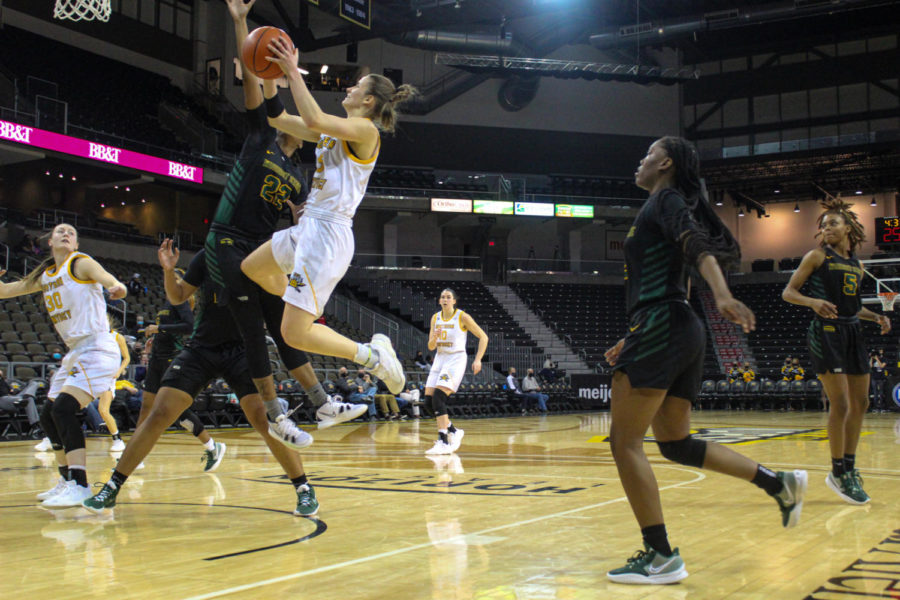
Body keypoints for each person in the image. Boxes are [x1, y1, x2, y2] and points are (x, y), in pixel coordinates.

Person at [603, 137, 806, 585]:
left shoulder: (666, 199)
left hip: (664, 324)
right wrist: (632, 334)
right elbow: (678, 279)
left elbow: (697, 247)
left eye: (648, 154)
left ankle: (660, 556)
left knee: (624, 442)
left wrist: (724, 295)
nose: (640, 159)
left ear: (666, 163)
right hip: (675, 324)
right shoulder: (659, 205)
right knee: (674, 443)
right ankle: (779, 483)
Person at [201, 0, 367, 451]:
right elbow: (254, 76)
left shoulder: (300, 175)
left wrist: (301, 217)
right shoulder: (261, 136)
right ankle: (276, 415)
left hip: (262, 246)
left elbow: (305, 211)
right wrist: (240, 22)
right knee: (254, 327)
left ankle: (321, 401)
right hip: (228, 242)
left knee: (284, 321)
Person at [239, 28, 418, 405]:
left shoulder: (365, 131)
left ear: (368, 100)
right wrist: (270, 77)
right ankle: (303, 301)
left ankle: (371, 355)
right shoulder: (335, 130)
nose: (349, 88)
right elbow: (279, 118)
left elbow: (316, 119)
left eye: (356, 87)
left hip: (328, 235)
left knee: (292, 334)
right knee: (253, 269)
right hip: (310, 226)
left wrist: (291, 71)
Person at [83, 246, 318, 516]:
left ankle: (302, 487)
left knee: (266, 421)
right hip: (202, 347)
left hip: (244, 350)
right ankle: (112, 486)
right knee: (159, 412)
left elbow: (285, 304)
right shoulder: (210, 255)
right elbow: (178, 295)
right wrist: (169, 270)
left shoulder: (268, 262)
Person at [0, 223, 126, 507]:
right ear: (50, 242)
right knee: (48, 416)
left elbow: (107, 277)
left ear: (76, 244)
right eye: (60, 232)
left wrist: (115, 286)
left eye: (71, 232)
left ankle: (81, 486)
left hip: (97, 347)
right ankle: (67, 480)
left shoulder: (80, 263)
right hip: (76, 352)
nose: (66, 234)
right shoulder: (46, 275)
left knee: (64, 409)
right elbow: (7, 291)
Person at [782, 196, 891, 505]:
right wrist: (813, 302)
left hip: (852, 331)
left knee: (862, 402)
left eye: (833, 223)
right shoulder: (817, 257)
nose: (827, 227)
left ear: (848, 229)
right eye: (824, 224)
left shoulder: (856, 265)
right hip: (825, 333)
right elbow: (788, 292)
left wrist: (877, 316)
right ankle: (837, 471)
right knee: (840, 404)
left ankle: (850, 467)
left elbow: (854, 307)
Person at [137, 266, 223, 471]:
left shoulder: (181, 302)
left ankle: (212, 446)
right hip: (158, 358)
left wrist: (160, 328)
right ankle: (134, 453)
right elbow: (168, 330)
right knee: (146, 406)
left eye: (174, 278)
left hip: (171, 359)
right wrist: (156, 339)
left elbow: (188, 327)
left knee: (175, 409)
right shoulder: (167, 303)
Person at [423, 288, 488, 455]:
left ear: (454, 301)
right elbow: (430, 347)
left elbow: (483, 337)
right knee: (428, 403)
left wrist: (478, 359)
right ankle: (453, 430)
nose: (445, 299)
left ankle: (444, 442)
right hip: (440, 358)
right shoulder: (435, 318)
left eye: (448, 297)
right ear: (439, 301)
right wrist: (435, 337)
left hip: (455, 359)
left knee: (438, 398)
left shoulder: (462, 316)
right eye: (442, 297)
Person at [94, 324, 131, 451]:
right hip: (91, 375)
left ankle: (117, 439)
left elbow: (126, 358)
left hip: (107, 377)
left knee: (103, 410)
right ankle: (52, 437)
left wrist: (120, 370)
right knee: (67, 405)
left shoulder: (117, 336)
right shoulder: (93, 336)